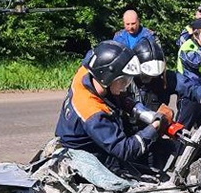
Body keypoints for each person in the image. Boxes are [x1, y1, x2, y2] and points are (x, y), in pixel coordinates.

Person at [55, 40, 164, 171]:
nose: (126, 86)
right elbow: (124, 149)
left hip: (82, 141)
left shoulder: (87, 72)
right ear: (106, 77)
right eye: (123, 80)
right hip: (84, 159)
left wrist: (139, 110)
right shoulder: (92, 112)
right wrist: (155, 126)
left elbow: (96, 57)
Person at [132, 37, 201, 115]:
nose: (151, 79)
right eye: (147, 76)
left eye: (156, 76)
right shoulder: (125, 84)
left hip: (154, 128)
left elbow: (191, 88)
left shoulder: (166, 79)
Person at [176, 19, 201, 129]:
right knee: (181, 131)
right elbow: (196, 62)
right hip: (190, 96)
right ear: (197, 34)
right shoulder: (187, 47)